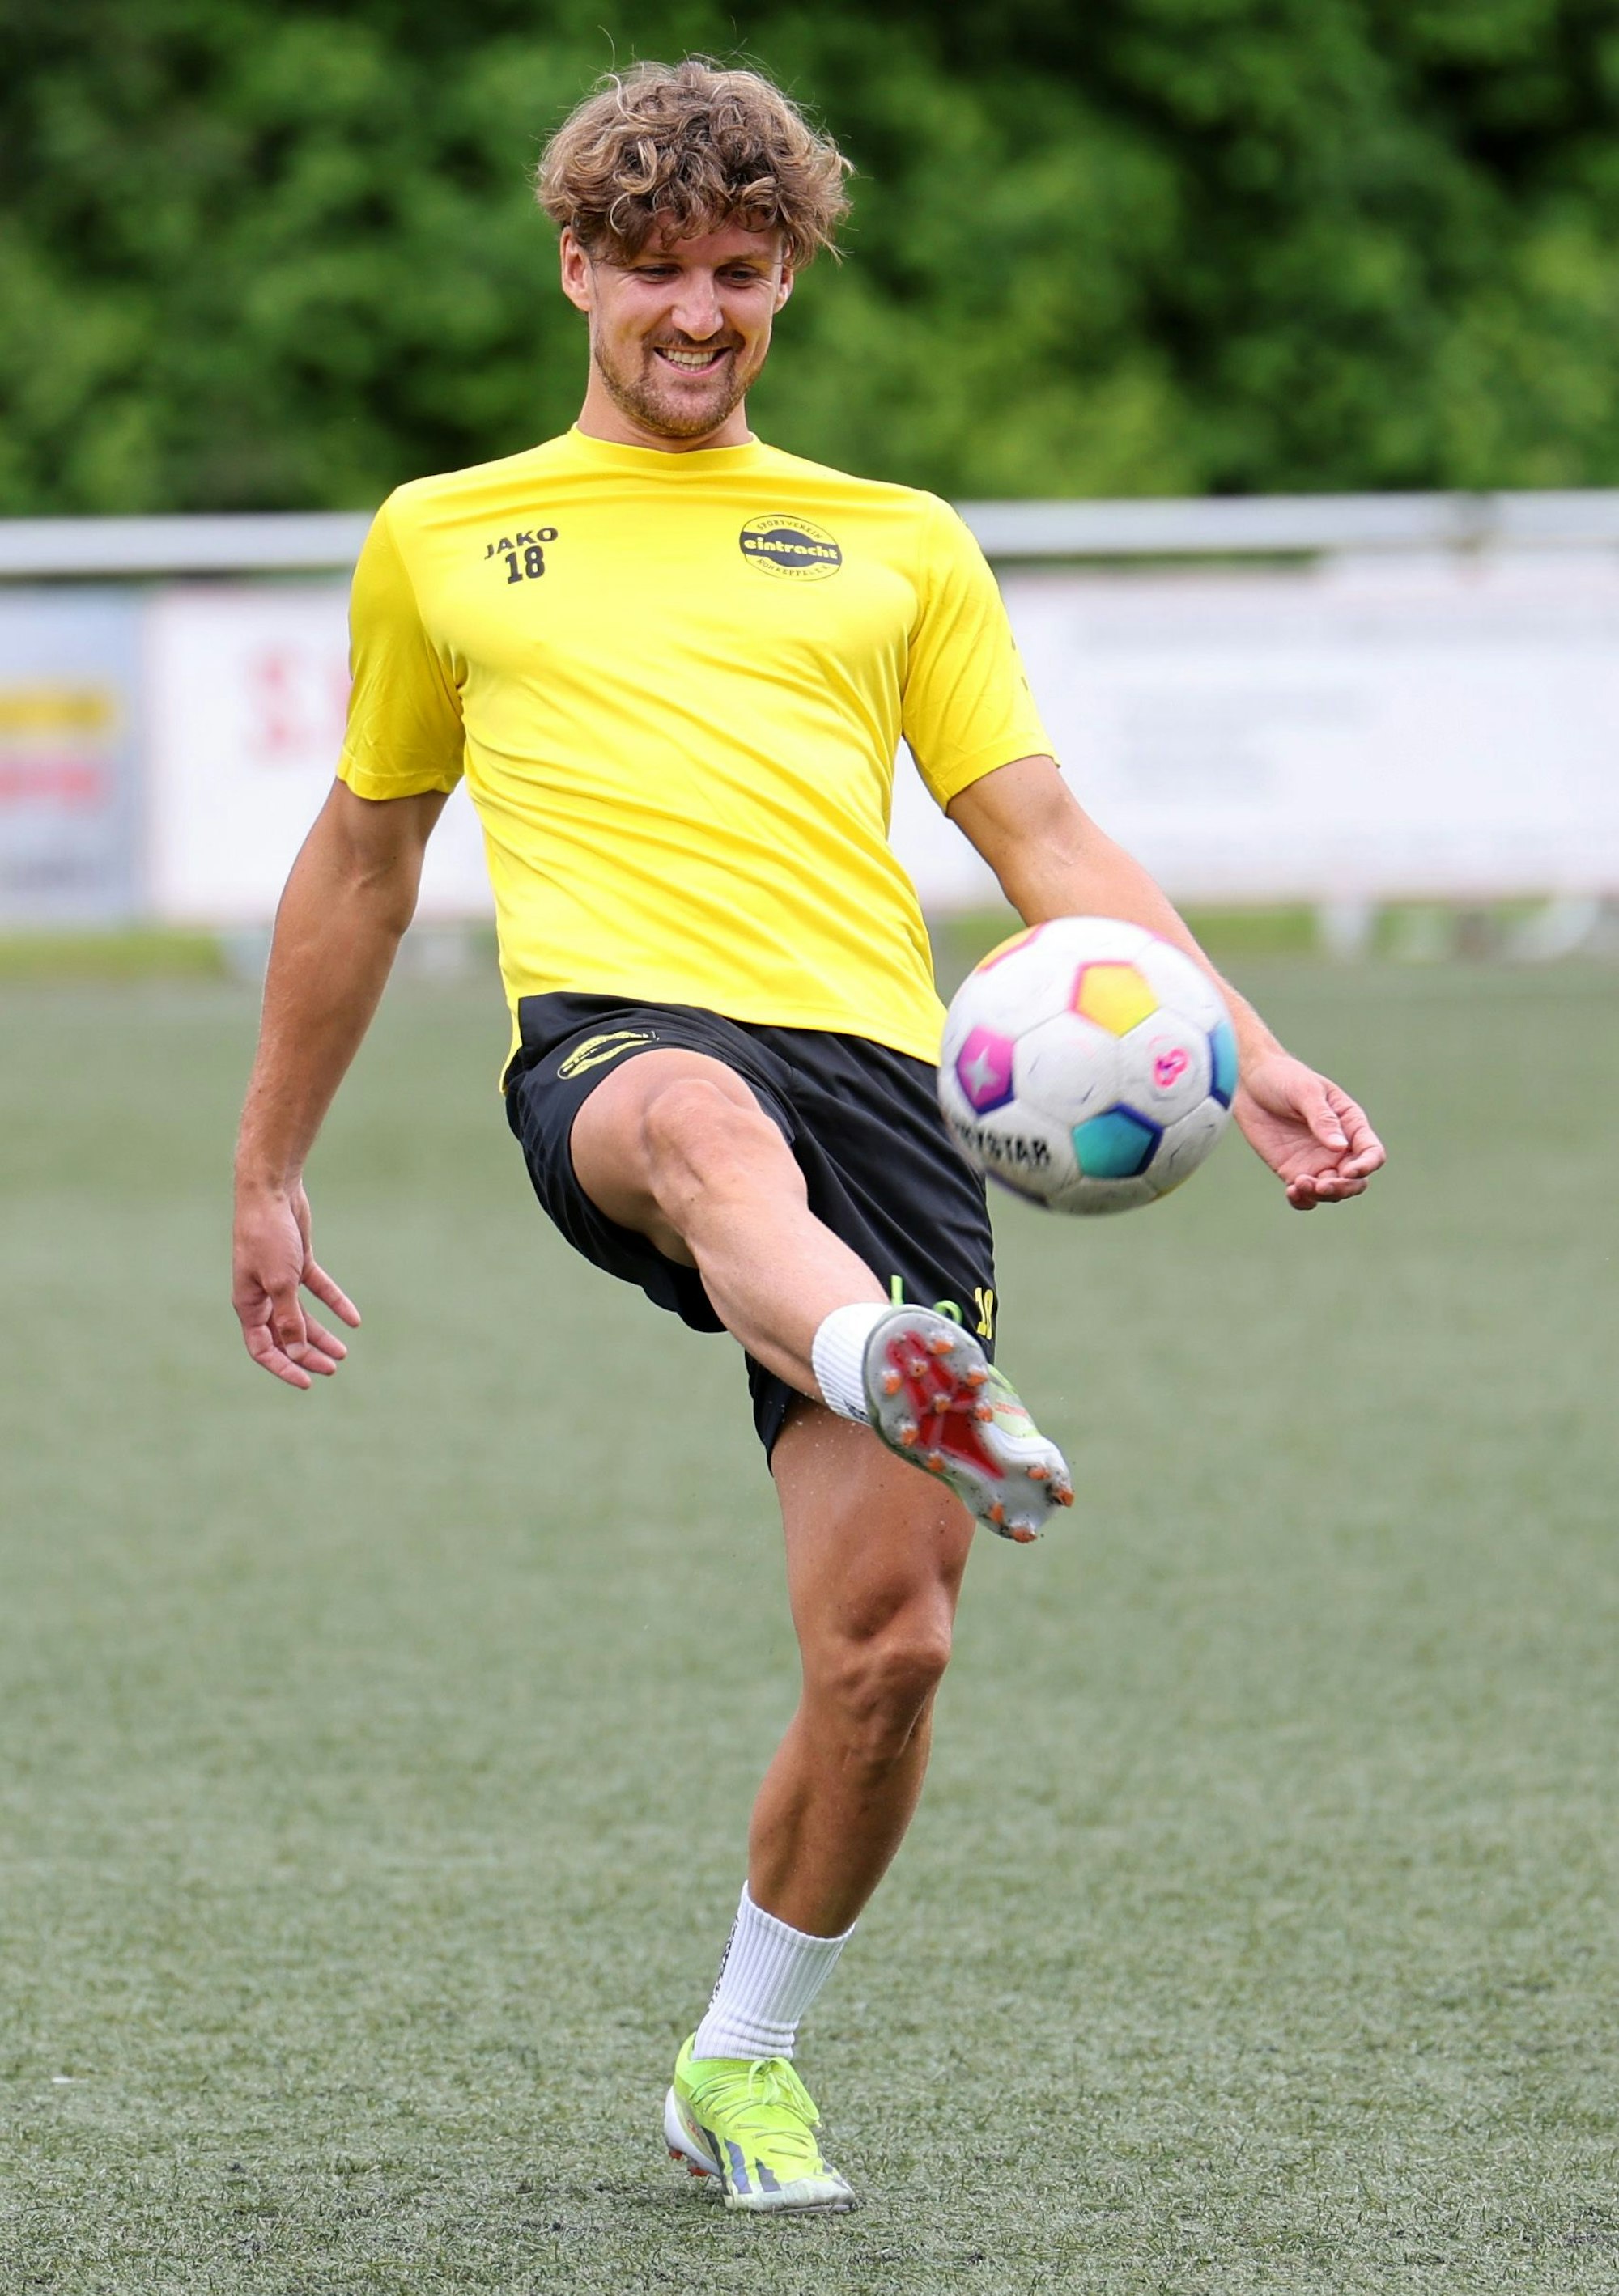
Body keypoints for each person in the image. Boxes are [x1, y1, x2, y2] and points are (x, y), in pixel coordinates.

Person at [231, 57, 1385, 2217]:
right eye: (653, 269)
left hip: (888, 1091)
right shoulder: (446, 537)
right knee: (691, 1125)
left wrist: (1250, 1041)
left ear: (788, 280)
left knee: (893, 1649)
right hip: (616, 1051)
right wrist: (270, 1166)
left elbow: (1038, 832)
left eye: (739, 275)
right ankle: (886, 1361)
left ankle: (738, 2064)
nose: (695, 312)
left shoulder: (896, 545)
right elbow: (366, 862)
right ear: (578, 262)